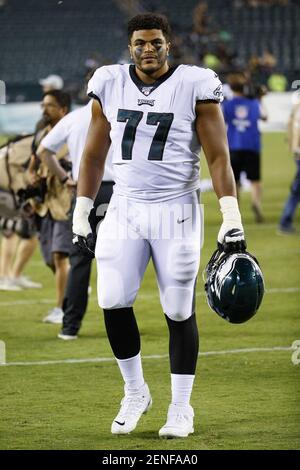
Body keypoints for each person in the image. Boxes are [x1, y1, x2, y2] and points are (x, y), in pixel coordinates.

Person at [72, 13, 246, 439]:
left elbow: (218, 155)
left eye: (155, 42)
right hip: (126, 208)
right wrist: (81, 208)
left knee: (178, 309)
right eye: (140, 43)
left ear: (169, 44)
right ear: (129, 47)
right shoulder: (109, 81)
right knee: (112, 300)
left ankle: (181, 407)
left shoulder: (194, 83)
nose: (147, 49)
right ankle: (136, 392)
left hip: (176, 209)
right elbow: (94, 155)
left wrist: (232, 215)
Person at [37, 99, 114, 338]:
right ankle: (119, 324)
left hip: (83, 191)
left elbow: (44, 151)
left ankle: (70, 326)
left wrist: (63, 178)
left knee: (79, 260)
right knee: (117, 259)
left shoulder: (74, 118)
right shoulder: (121, 111)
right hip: (117, 191)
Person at [29, 89, 73, 324]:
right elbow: (32, 166)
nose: (44, 109)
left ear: (63, 110)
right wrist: (33, 178)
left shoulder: (73, 133)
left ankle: (62, 309)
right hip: (44, 204)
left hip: (65, 202)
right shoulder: (41, 135)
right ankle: (74, 284)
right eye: (43, 105)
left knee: (59, 256)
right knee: (49, 258)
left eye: (49, 105)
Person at [223, 74, 267, 223]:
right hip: (252, 145)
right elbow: (265, 116)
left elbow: (221, 120)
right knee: (255, 180)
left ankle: (236, 210)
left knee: (234, 181)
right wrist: (260, 99)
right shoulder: (254, 103)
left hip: (233, 145)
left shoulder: (227, 104)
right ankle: (256, 203)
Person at [278, 102, 300, 234]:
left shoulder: (297, 106)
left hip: (298, 152)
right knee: (296, 191)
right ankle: (284, 222)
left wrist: (293, 146)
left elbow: (291, 123)